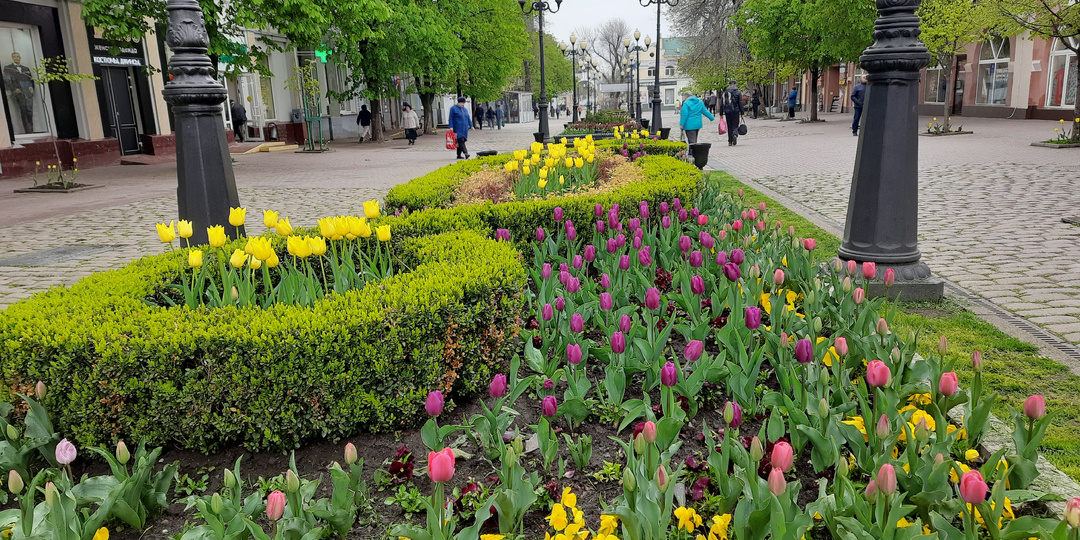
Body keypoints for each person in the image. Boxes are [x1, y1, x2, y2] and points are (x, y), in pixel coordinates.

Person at [3, 52, 35, 133]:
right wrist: (14, 89)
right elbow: (7, 80)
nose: (16, 58)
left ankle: (30, 130)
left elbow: (30, 79)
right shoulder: (8, 68)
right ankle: (27, 131)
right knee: (23, 110)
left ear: (20, 57)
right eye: (14, 56)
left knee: (29, 111)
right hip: (18, 93)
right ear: (12, 58)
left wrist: (32, 88)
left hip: (27, 93)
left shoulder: (26, 68)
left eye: (18, 56)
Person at [720, 80, 744, 146]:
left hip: (727, 111)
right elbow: (740, 103)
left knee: (729, 125)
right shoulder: (738, 92)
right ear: (735, 84)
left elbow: (722, 103)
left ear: (729, 85)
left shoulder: (725, 92)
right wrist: (742, 113)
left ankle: (730, 141)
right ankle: (735, 134)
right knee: (735, 124)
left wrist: (721, 113)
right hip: (736, 110)